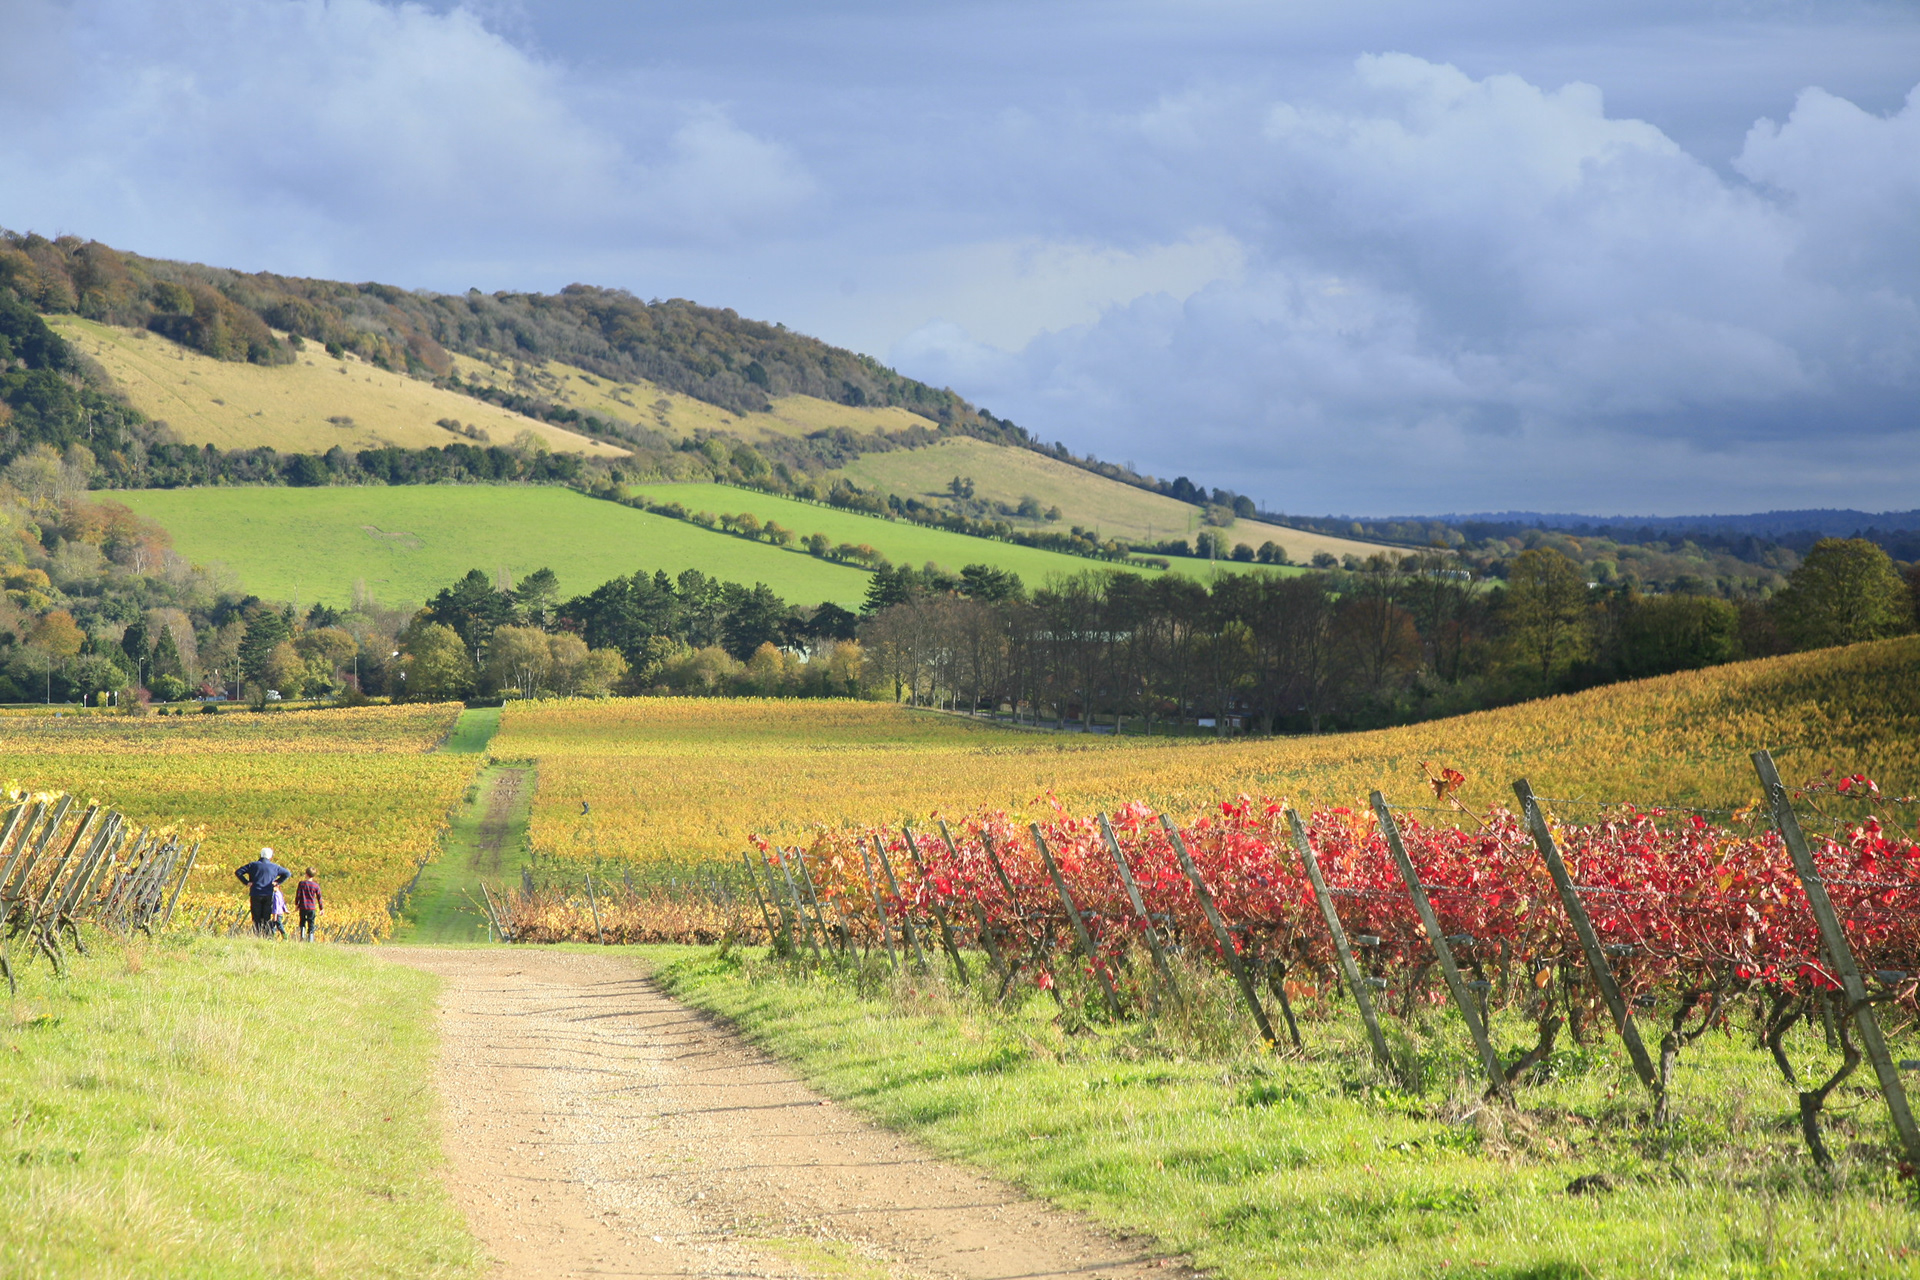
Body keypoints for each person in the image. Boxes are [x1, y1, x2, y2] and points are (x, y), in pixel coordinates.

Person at [234, 848, 291, 936]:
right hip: (268, 894)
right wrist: (277, 882)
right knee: (266, 917)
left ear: (260, 855)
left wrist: (246, 882)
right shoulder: (274, 867)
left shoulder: (253, 865)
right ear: (270, 857)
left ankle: (257, 935)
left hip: (255, 893)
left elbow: (238, 872)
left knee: (256, 917)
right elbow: (287, 873)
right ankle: (266, 935)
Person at [295, 868, 322, 942]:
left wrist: (297, 904)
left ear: (306, 874)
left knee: (302, 921)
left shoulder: (301, 884)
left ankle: (302, 936)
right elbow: (319, 897)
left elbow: (298, 895)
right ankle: (311, 939)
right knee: (311, 923)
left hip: (303, 906)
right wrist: (321, 908)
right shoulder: (316, 885)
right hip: (311, 907)